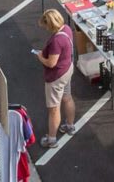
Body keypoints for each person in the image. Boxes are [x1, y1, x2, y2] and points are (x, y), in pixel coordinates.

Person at [36, 9, 76, 148]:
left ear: (51, 25)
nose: (46, 29)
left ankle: (51, 139)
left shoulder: (56, 41)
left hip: (56, 77)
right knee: (67, 97)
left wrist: (40, 57)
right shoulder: (67, 29)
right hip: (67, 70)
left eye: (46, 26)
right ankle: (70, 125)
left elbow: (51, 63)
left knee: (54, 109)